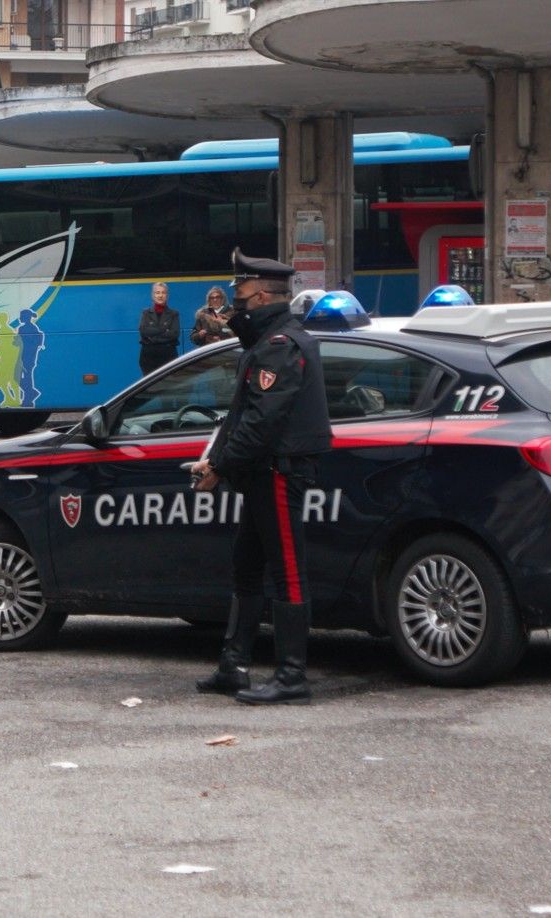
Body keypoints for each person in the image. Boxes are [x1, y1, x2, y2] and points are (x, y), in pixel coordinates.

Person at [190, 250, 332, 706]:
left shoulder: (280, 347)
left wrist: (221, 467)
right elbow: (241, 416)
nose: (235, 299)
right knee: (246, 569)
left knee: (287, 572)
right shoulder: (264, 341)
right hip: (260, 473)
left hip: (276, 472)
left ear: (265, 294)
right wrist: (217, 461)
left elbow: (260, 422)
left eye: (242, 291)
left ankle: (292, 677)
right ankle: (235, 666)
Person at [138, 282, 181, 374]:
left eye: (163, 293)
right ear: (153, 295)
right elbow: (143, 331)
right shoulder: (146, 313)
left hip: (168, 355)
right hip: (148, 356)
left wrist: (153, 333)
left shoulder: (174, 314)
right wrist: (163, 329)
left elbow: (174, 334)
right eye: (157, 293)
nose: (160, 295)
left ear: (167, 295)